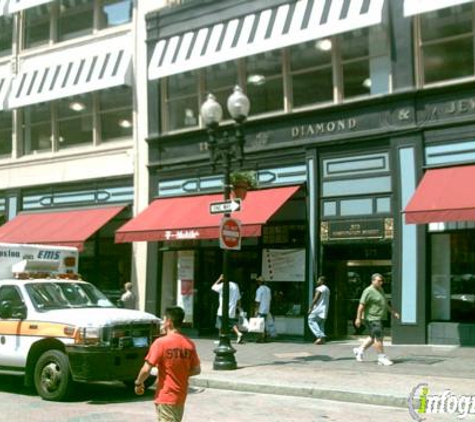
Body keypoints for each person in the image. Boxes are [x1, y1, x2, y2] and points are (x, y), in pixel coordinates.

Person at [134, 306, 201, 422]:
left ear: (169, 322)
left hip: (166, 395)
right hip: (180, 396)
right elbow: (196, 370)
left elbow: (146, 370)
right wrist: (180, 374)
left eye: (164, 320)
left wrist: (138, 383)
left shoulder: (160, 343)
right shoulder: (189, 344)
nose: (162, 323)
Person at [353, 273, 400, 366]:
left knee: (372, 337)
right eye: (378, 281)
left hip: (379, 317)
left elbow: (385, 303)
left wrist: (393, 312)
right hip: (372, 318)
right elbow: (361, 305)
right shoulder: (368, 291)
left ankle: (359, 350)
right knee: (379, 338)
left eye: (381, 281)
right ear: (372, 281)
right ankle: (381, 357)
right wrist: (358, 318)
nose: (381, 282)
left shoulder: (380, 289)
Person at [212, 274, 244, 344]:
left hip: (222, 309)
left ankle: (221, 339)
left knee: (220, 324)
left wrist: (219, 279)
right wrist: (239, 306)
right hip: (232, 308)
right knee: (231, 322)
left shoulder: (223, 285)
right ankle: (238, 333)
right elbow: (239, 298)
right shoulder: (236, 285)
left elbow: (213, 287)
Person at [308, 276, 330, 345]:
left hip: (318, 309)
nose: (317, 281)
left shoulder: (320, 288)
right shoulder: (327, 289)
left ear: (322, 281)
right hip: (324, 310)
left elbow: (316, 298)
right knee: (321, 324)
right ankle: (322, 340)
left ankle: (320, 336)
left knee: (310, 319)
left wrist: (310, 307)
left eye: (318, 280)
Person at [254, 275, 272, 342]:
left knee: (260, 324)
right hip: (266, 308)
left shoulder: (259, 289)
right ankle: (264, 336)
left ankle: (261, 338)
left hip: (261, 309)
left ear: (259, 282)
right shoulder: (268, 289)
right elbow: (270, 299)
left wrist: (256, 310)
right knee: (264, 323)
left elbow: (258, 301)